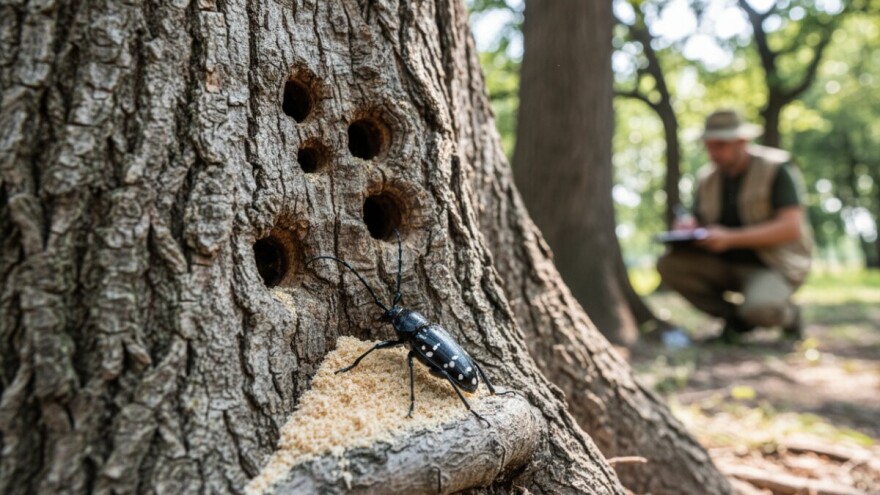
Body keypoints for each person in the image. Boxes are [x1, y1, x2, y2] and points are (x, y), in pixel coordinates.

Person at [657, 109, 813, 343]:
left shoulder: (776, 168)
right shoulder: (706, 179)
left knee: (761, 308)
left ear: (742, 141)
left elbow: (791, 227)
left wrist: (732, 238)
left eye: (720, 144)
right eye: (709, 145)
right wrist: (690, 228)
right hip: (723, 265)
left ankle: (788, 316)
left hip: (772, 266)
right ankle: (735, 321)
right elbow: (701, 220)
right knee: (670, 265)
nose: (713, 152)